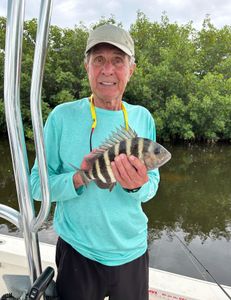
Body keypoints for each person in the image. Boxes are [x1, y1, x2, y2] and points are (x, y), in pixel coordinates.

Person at [31, 24, 160, 300]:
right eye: (98, 59)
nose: (107, 70)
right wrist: (79, 178)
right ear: (86, 66)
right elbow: (35, 186)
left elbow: (152, 187)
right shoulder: (61, 117)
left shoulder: (143, 118)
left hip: (132, 252)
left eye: (117, 61)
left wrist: (137, 186)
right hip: (78, 251)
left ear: (131, 69)